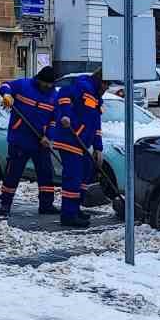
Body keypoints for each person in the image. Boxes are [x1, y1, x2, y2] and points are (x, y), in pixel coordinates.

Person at [0, 67, 59, 219]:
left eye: (50, 85)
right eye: (45, 84)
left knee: (46, 174)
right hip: (20, 139)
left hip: (40, 142)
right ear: (39, 80)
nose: (47, 87)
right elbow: (5, 86)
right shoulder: (24, 85)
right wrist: (7, 95)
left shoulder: (54, 97)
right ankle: (5, 205)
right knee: (13, 174)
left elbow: (53, 121)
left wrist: (48, 137)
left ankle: (46, 205)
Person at [50, 69, 104, 228]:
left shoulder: (96, 97)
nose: (107, 88)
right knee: (73, 178)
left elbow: (96, 125)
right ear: (100, 80)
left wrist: (98, 147)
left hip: (83, 142)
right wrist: (65, 115)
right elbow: (64, 95)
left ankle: (75, 207)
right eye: (106, 84)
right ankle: (68, 215)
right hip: (69, 138)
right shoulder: (82, 86)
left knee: (85, 174)